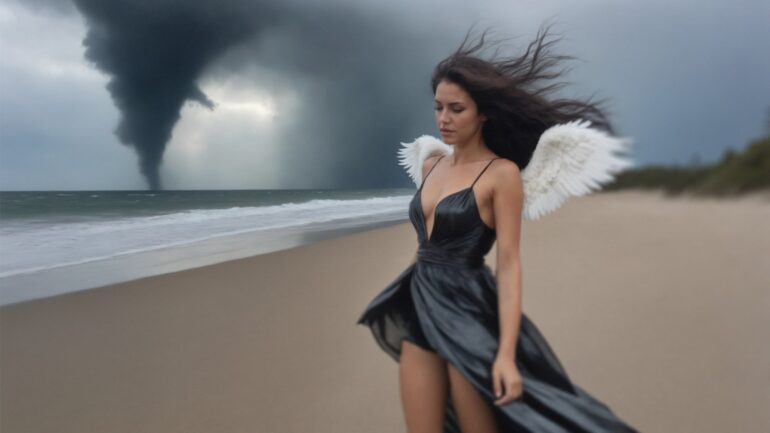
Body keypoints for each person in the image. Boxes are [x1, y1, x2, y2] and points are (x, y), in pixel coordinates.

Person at [357, 22, 639, 433]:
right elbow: (427, 244)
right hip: (419, 301)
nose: (443, 119)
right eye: (438, 107)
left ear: (483, 112)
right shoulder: (432, 163)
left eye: (457, 109)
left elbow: (508, 265)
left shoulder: (501, 175)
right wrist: (414, 284)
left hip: (469, 313)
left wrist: (505, 354)